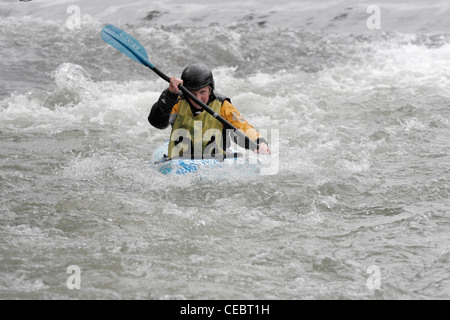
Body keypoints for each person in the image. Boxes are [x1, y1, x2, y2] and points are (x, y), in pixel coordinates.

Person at [148, 63, 270, 159]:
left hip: (215, 162)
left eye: (202, 92)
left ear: (210, 90)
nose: (197, 98)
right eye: (192, 93)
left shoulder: (222, 105)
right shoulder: (177, 102)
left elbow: (242, 127)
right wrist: (169, 95)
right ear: (185, 91)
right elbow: (158, 122)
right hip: (180, 161)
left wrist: (259, 142)